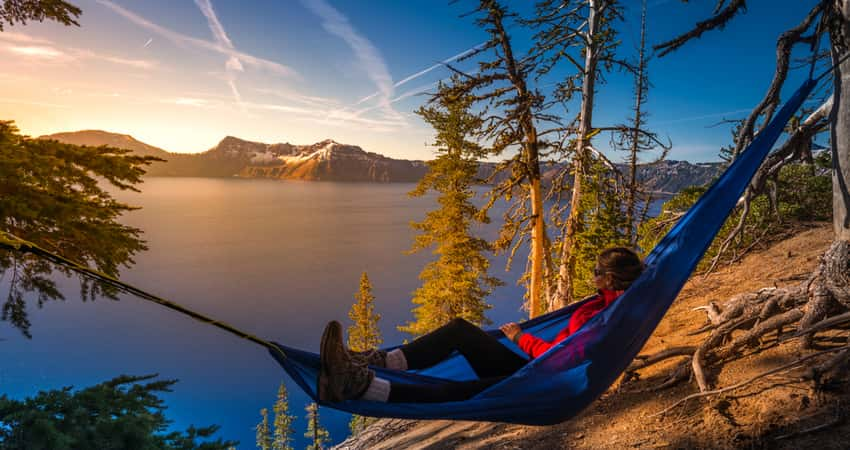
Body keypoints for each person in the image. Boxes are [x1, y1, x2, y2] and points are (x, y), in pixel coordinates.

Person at [318, 247, 645, 404]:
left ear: (613, 279)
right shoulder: (608, 304)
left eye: (598, 271)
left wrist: (520, 338)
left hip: (545, 381)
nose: (594, 276)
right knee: (461, 330)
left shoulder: (607, 318)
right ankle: (380, 363)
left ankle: (356, 386)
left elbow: (564, 358)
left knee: (452, 392)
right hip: (537, 368)